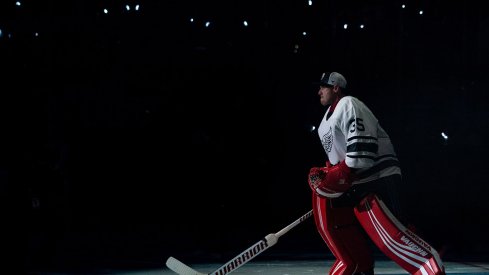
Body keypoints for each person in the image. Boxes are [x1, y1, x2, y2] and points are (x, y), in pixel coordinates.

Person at [307, 72, 445, 275]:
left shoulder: (349, 104)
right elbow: (337, 159)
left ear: (336, 87)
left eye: (323, 86)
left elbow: (360, 151)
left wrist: (341, 173)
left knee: (395, 231)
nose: (319, 91)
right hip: (359, 182)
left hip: (380, 177)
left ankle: (430, 264)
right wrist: (328, 176)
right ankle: (357, 266)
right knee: (346, 219)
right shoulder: (322, 126)